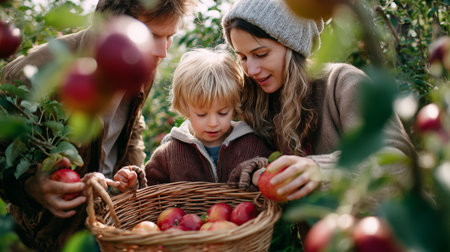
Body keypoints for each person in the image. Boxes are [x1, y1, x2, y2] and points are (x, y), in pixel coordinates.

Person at [0, 0, 197, 251]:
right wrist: (30, 186)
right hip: (46, 235)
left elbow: (131, 124)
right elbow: (3, 157)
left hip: (107, 224)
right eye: (152, 35)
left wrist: (130, 172)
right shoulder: (32, 74)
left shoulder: (139, 61)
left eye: (170, 36)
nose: (163, 51)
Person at [222, 0, 415, 206]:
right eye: (242, 57)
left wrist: (319, 169)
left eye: (261, 54)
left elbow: (398, 162)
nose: (250, 70)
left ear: (292, 47)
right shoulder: (259, 100)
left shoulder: (343, 83)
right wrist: (259, 168)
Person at [114, 48, 272, 187]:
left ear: (235, 105)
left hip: (247, 221)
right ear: (185, 108)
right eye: (202, 114)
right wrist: (133, 182)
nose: (213, 123)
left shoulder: (252, 145)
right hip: (183, 221)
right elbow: (150, 193)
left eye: (223, 113)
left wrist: (257, 170)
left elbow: (270, 174)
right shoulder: (170, 153)